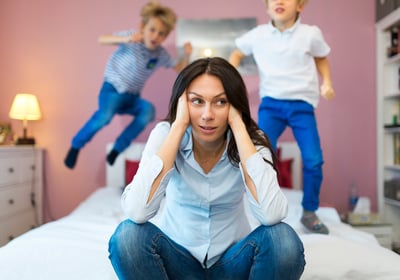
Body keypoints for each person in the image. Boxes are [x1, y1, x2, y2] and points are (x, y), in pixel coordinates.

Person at [108, 57, 305, 279]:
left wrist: (240, 127)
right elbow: (137, 211)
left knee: (283, 240)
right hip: (177, 264)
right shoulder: (165, 134)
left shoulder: (252, 141)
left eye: (220, 102)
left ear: (234, 105)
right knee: (127, 236)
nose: (207, 115)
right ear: (183, 103)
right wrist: (179, 125)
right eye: (197, 101)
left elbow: (271, 215)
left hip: (233, 265)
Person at [229, 0, 335, 234]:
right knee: (261, 157)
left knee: (314, 159)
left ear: (299, 6)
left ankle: (309, 212)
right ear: (267, 8)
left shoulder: (310, 34)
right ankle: (264, 208)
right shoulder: (258, 35)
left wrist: (326, 81)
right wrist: (231, 73)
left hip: (302, 106)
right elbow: (237, 52)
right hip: (271, 106)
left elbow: (321, 57)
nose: (279, 1)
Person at [64, 1, 192, 169]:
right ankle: (75, 146)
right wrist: (126, 38)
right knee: (104, 118)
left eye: (161, 34)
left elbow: (179, 68)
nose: (155, 36)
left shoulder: (160, 54)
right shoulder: (132, 38)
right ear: (142, 27)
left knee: (148, 111)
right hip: (112, 91)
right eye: (152, 30)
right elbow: (102, 39)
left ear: (166, 36)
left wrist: (187, 55)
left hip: (132, 97)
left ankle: (117, 149)